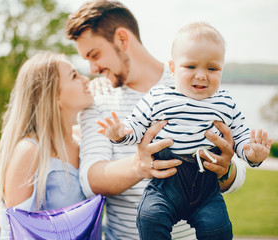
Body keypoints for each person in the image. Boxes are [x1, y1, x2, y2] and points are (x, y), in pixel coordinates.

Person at [66, 1, 248, 239]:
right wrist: (138, 166)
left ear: (122, 39)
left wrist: (225, 170)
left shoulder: (193, 80)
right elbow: (91, 179)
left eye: (95, 55)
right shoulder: (97, 98)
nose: (93, 68)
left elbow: (238, 172)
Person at [97, 22, 272, 239]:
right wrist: (120, 133)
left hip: (206, 188)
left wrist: (252, 153)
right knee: (150, 217)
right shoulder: (158, 96)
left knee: (218, 228)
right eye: (191, 67)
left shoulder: (225, 102)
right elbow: (136, 126)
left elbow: (240, 136)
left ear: (222, 70)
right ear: (172, 69)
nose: (201, 75)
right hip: (165, 186)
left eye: (212, 68)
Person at [0, 51, 94, 239]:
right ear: (54, 97)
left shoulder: (83, 140)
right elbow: (15, 232)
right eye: (74, 76)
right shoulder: (30, 151)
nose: (86, 79)